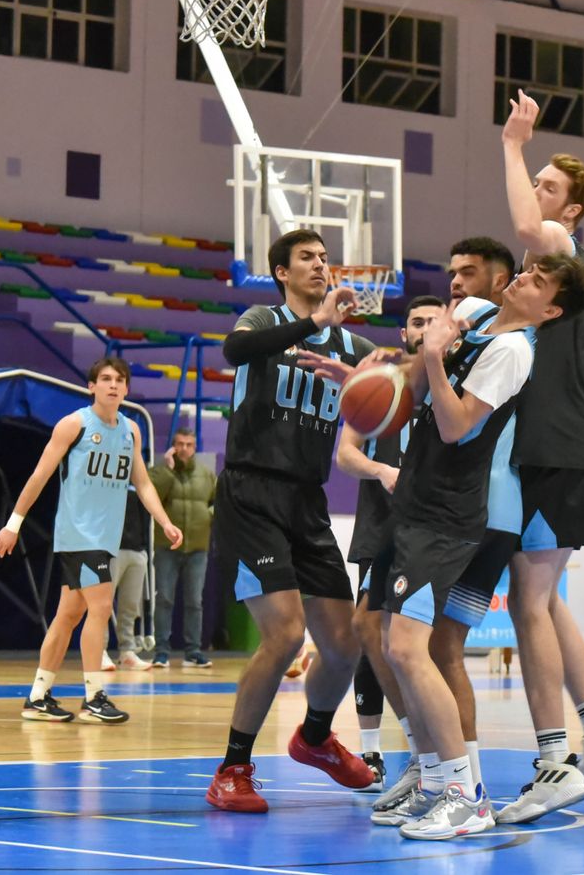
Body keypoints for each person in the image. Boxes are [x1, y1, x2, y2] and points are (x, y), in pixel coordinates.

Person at [372, 254, 584, 841]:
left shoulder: (515, 350)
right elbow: (417, 388)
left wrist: (433, 357)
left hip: (451, 509)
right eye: (528, 270)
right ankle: (446, 781)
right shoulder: (478, 319)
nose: (524, 278)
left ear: (550, 310)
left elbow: (455, 424)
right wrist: (356, 379)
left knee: (409, 649)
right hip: (427, 500)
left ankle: (462, 793)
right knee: (412, 649)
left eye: (539, 282)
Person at [496, 90, 584, 825]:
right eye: (539, 179)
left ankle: (555, 760)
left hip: (561, 448)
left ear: (572, 212)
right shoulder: (571, 283)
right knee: (545, 599)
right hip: (571, 446)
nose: (540, 198)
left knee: (529, 601)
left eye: (553, 188)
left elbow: (525, 223)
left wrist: (513, 145)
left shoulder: (556, 243)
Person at [204, 230, 378, 813]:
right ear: (281, 271)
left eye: (325, 259)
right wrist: (311, 324)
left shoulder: (350, 347)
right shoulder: (263, 318)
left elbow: (396, 388)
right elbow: (233, 352)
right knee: (283, 634)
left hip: (308, 500)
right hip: (251, 492)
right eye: (307, 258)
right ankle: (233, 768)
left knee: (346, 644)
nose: (319, 265)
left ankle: (314, 738)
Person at [0, 358, 183, 725]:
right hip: (78, 533)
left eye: (119, 380)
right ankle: (94, 697)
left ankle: (38, 696)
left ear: (127, 389)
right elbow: (39, 475)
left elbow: (142, 482)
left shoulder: (131, 430)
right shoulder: (75, 424)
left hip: (104, 537)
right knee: (100, 608)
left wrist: (164, 521)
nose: (113, 385)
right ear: (92, 387)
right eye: (106, 379)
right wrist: (13, 524)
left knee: (69, 614)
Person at [335, 294, 447, 797]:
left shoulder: (453, 381)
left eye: (433, 320)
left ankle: (446, 766)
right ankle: (386, 749)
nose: (423, 327)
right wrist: (381, 470)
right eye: (415, 322)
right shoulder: (381, 383)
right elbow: (345, 455)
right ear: (404, 333)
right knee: (369, 631)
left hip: (435, 528)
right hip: (381, 528)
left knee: (428, 647)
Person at [148, 426, 217, 669]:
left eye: (188, 444)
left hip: (198, 547)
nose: (184, 449)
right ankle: (161, 652)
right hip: (167, 547)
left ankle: (193, 651)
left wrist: (208, 515)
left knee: (194, 601)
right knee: (164, 599)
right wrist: (167, 470)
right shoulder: (161, 472)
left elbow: (219, 502)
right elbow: (152, 495)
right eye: (179, 444)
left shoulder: (207, 474)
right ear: (173, 446)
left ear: (194, 447)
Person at [104, 491, 154, 671]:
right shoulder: (105, 481)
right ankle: (99, 651)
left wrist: (143, 550)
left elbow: (147, 516)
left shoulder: (139, 483)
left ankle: (127, 651)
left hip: (137, 551)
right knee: (102, 604)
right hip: (110, 549)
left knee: (130, 605)